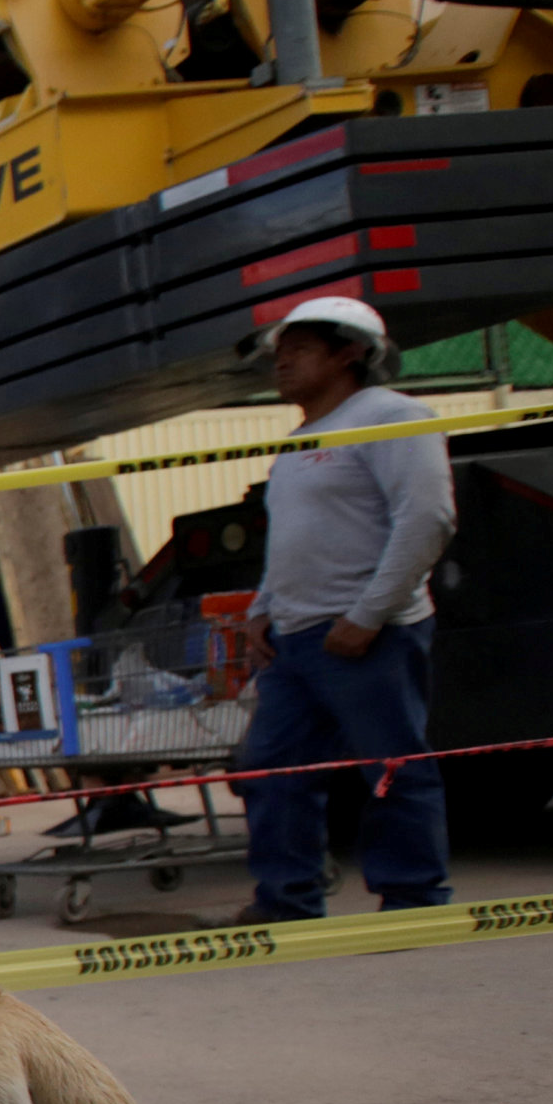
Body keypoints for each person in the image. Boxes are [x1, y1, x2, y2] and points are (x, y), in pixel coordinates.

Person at [223, 294, 454, 923]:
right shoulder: (301, 439)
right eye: (281, 353)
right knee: (271, 772)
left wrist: (368, 615)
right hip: (297, 641)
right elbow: (292, 533)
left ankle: (414, 901)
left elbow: (426, 520)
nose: (282, 364)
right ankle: (286, 902)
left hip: (367, 637)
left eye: (298, 349)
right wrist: (264, 608)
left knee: (392, 770)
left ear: (349, 352)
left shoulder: (393, 416)